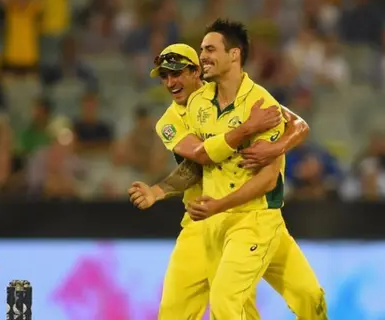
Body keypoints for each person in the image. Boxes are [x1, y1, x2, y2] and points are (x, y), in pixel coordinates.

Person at [127, 43, 312, 319]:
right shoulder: (169, 120)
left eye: (176, 74)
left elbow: (297, 123)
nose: (170, 82)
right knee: (174, 313)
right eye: (164, 76)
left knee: (239, 307)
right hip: (201, 221)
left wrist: (276, 147)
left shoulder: (233, 94)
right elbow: (200, 159)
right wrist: (248, 128)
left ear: (196, 72)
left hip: (248, 217)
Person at [183, 19, 327, 319]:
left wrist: (219, 204)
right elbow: (199, 157)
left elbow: (267, 179)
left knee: (225, 300)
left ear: (234, 55)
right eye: (201, 50)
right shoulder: (198, 104)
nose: (202, 56)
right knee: (308, 295)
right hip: (217, 225)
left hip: (255, 219)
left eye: (210, 49)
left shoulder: (261, 105)